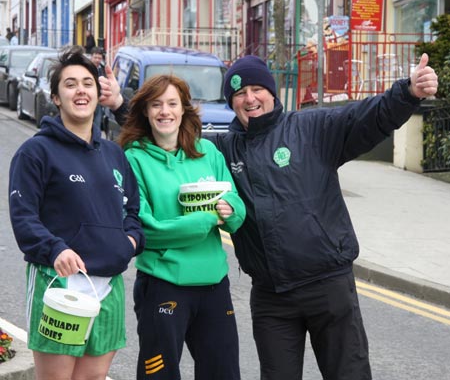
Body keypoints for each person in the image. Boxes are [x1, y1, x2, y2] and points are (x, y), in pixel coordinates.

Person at [98, 52, 438, 380]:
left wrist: (407, 92)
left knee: (348, 373)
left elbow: (366, 117)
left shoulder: (314, 127)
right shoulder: (224, 148)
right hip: (271, 296)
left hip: (328, 285)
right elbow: (169, 129)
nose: (249, 99)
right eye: (239, 93)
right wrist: (120, 105)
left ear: (272, 92)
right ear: (231, 102)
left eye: (257, 89)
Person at [8, 45, 145, 380]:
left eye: (88, 83)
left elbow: (133, 212)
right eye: (70, 84)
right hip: (59, 287)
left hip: (109, 288)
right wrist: (55, 248)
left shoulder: (114, 154)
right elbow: (23, 216)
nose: (80, 90)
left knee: (93, 378)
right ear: (56, 97)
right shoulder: (36, 152)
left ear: (99, 95)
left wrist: (129, 242)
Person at [116, 74, 246, 380]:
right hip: (163, 285)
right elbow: (147, 229)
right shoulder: (133, 160)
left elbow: (237, 207)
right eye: (156, 104)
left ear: (184, 109)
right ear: (145, 111)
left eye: (172, 103)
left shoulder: (208, 153)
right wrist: (206, 219)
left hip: (214, 286)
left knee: (223, 373)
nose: (165, 111)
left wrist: (230, 210)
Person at [90, 47, 106, 131]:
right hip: (88, 100)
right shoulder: (86, 68)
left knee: (97, 125)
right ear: (91, 57)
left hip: (99, 101)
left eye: (99, 58)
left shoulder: (103, 69)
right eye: (95, 57)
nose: (97, 60)